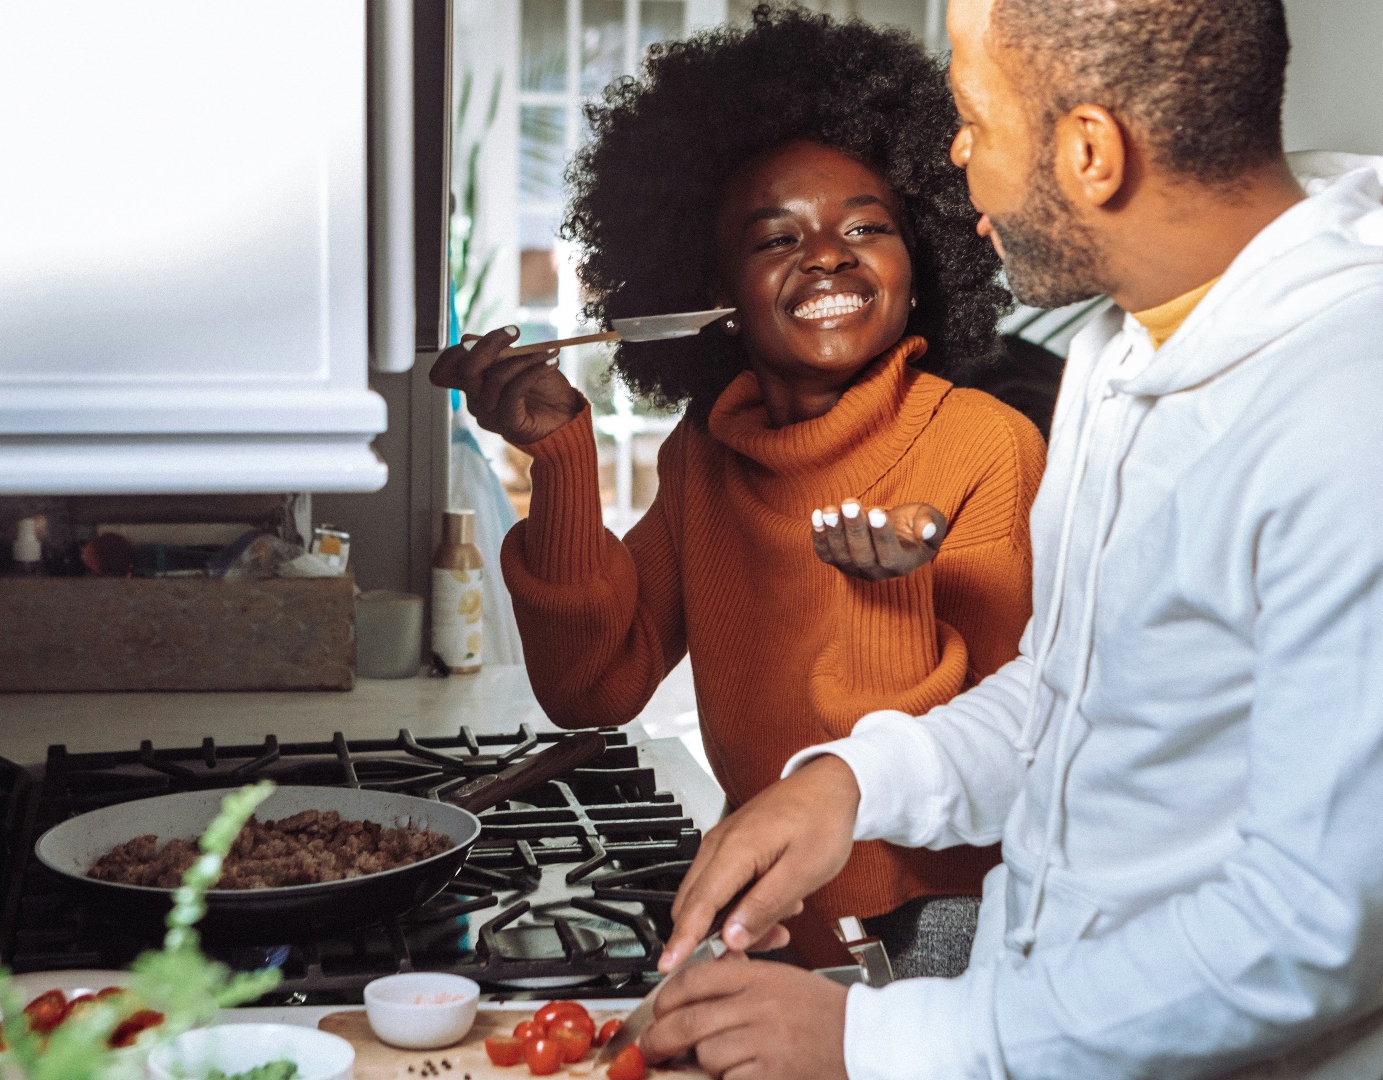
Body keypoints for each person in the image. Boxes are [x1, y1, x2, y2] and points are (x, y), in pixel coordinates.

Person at [639, 0, 1383, 1078]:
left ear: (1089, 153)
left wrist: (880, 1041)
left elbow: (1313, 930)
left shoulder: (1382, 418)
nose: (956, 154)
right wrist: (853, 782)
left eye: (974, 116)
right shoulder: (1128, 354)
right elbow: (1083, 694)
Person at [429, 7, 1046, 970]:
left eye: (867, 226)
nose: (828, 253)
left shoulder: (986, 447)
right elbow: (593, 688)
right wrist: (559, 460)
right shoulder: (706, 458)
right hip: (766, 936)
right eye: (775, 238)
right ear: (713, 294)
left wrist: (886, 596)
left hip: (937, 956)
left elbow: (1014, 761)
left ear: (921, 266)